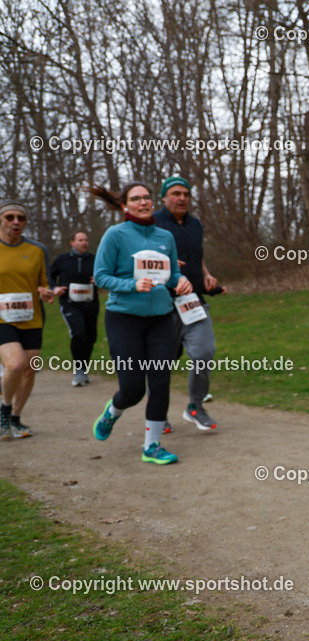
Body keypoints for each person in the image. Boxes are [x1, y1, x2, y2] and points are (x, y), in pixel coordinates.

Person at [89, 182, 192, 465]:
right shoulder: (115, 235)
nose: (143, 202)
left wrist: (180, 281)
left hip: (160, 318)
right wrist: (133, 285)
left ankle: (152, 446)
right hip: (124, 319)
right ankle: (112, 412)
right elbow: (100, 277)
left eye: (146, 197)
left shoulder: (165, 236)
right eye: (136, 199)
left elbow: (171, 276)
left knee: (160, 381)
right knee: (133, 389)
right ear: (125, 206)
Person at [153, 176, 220, 431]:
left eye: (186, 194)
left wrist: (206, 275)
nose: (182, 198)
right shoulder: (153, 222)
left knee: (204, 353)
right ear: (164, 197)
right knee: (161, 362)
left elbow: (197, 257)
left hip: (193, 302)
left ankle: (196, 407)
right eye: (175, 193)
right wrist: (164, 264)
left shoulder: (195, 225)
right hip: (161, 304)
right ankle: (158, 415)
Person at [0, 200, 54, 439]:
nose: (16, 222)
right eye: (10, 217)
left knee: (30, 370)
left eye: (20, 218)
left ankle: (15, 418)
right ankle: (4, 408)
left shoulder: (37, 249)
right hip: (2, 318)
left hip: (31, 317)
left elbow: (45, 282)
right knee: (15, 364)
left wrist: (46, 291)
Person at [49, 231, 99, 386]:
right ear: (72, 242)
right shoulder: (62, 260)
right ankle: (78, 371)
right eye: (80, 240)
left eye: (86, 240)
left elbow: (104, 274)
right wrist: (54, 288)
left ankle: (84, 369)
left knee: (90, 337)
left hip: (90, 304)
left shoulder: (95, 259)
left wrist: (99, 279)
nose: (84, 243)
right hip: (70, 303)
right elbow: (49, 276)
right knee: (78, 333)